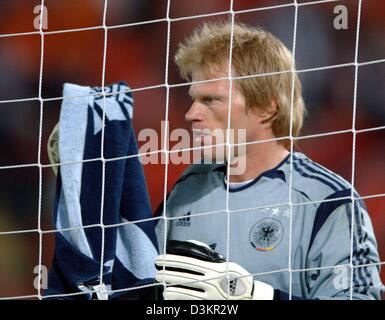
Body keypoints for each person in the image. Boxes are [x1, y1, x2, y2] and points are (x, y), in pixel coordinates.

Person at [152, 21, 384, 300]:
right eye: (193, 99)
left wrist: (255, 295)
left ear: (266, 107)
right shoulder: (187, 189)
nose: (191, 114)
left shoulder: (327, 201)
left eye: (211, 99)